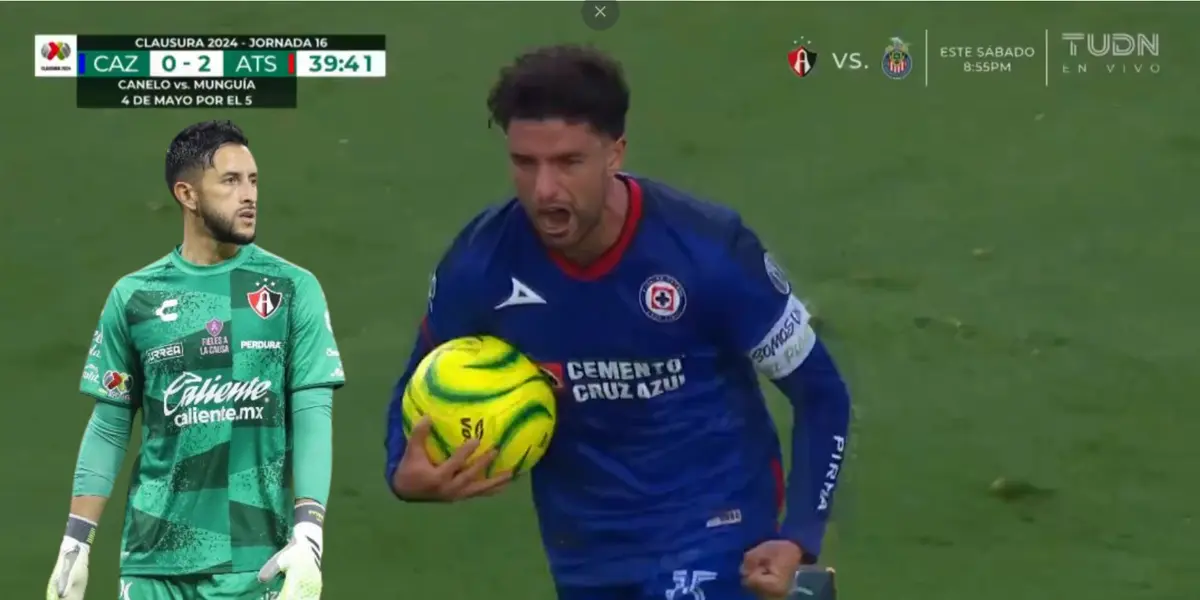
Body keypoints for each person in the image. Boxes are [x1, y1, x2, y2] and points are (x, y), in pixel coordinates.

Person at [384, 45, 851, 600]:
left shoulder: (707, 251)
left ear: (615, 153)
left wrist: (799, 535)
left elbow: (820, 393)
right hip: (585, 548)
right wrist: (403, 470)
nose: (544, 190)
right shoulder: (481, 264)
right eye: (524, 163)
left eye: (568, 162)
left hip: (716, 524)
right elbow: (419, 378)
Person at [46, 120, 344, 600]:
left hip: (256, 563)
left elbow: (312, 415)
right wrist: (75, 544)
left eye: (253, 180)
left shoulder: (291, 288)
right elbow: (109, 425)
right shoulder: (135, 297)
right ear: (187, 194)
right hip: (152, 562)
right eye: (230, 181)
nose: (248, 195)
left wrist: (309, 534)